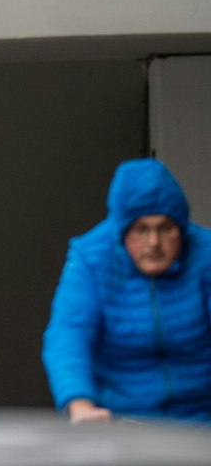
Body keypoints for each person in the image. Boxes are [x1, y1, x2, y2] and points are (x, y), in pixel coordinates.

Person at [43, 158, 211, 423]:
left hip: (202, 416)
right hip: (121, 420)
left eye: (165, 228)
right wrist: (80, 404)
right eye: (141, 230)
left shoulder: (206, 252)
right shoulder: (90, 257)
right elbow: (69, 333)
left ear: (181, 228)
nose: (154, 242)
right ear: (121, 232)